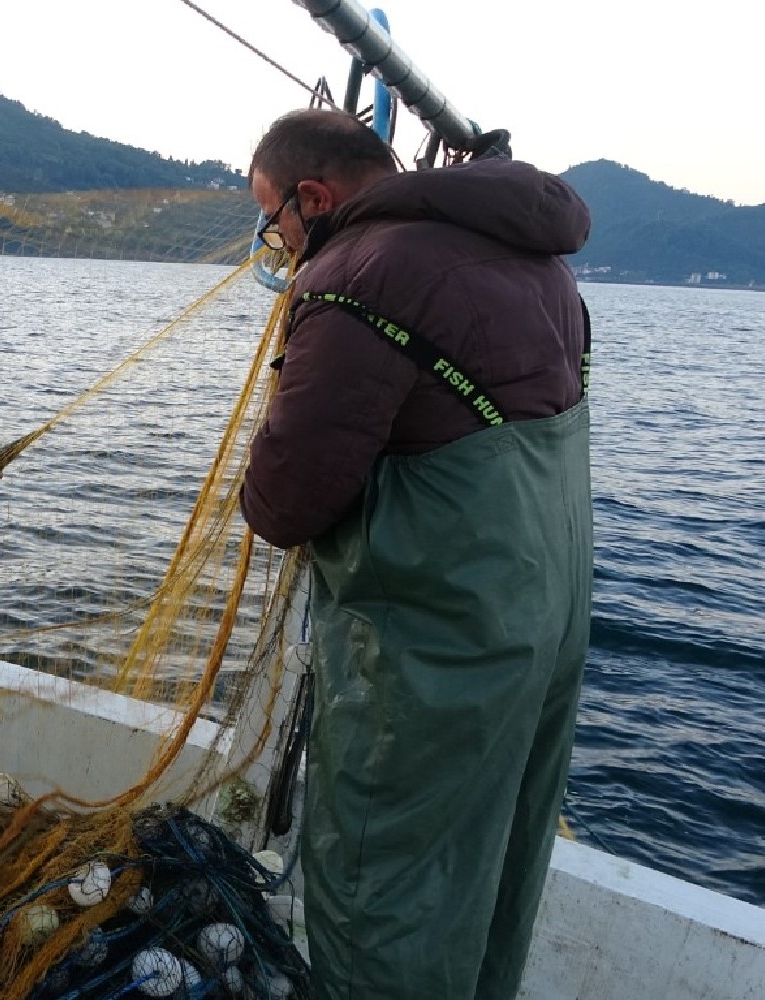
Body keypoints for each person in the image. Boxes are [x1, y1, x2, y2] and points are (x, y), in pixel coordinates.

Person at [239, 109, 592, 1000]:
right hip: (542, 628)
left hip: (435, 654)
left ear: (312, 197)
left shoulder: (359, 273)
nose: (276, 240)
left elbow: (286, 503)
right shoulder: (539, 261)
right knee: (496, 864)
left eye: (273, 217)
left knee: (378, 883)